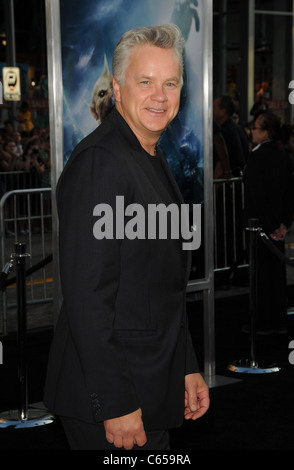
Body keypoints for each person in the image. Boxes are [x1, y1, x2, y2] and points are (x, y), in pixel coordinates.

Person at [44, 24, 209, 451]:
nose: (160, 95)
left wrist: (186, 366)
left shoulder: (148, 155)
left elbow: (161, 288)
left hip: (151, 379)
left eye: (170, 83)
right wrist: (115, 402)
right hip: (112, 397)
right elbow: (87, 295)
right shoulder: (103, 162)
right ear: (117, 90)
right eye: (145, 81)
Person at [243, 112, 294, 334]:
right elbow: (289, 193)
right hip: (278, 228)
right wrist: (283, 224)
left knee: (261, 277)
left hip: (261, 227)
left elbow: (257, 196)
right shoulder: (283, 155)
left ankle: (262, 323)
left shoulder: (256, 157)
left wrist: (270, 226)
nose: (251, 131)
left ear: (265, 132)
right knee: (276, 275)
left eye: (255, 128)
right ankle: (277, 320)